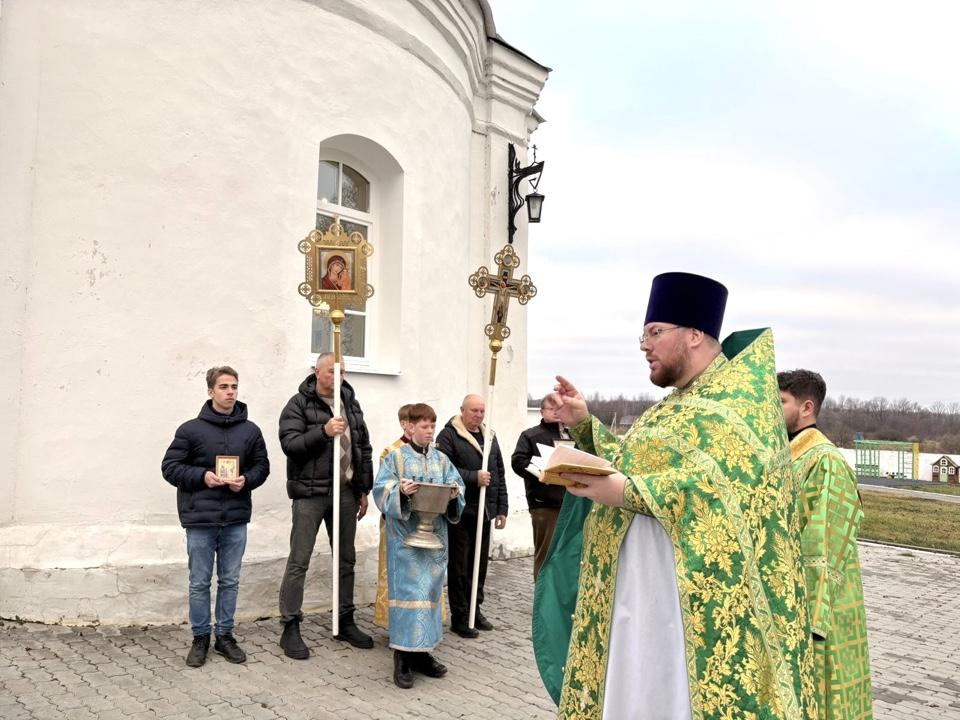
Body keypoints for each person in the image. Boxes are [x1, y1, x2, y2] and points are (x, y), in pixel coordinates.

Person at [533, 272, 816, 720]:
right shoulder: (672, 406)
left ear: (695, 334)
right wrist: (585, 424)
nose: (644, 345)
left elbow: (723, 487)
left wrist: (627, 490)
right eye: (643, 335)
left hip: (685, 607)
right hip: (637, 595)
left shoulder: (738, 406)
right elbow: (631, 462)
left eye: (654, 333)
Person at [778, 369, 874, 720]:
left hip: (819, 606)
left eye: (780, 402)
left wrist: (807, 617)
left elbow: (826, 544)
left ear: (807, 407)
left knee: (824, 698)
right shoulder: (788, 454)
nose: (771, 409)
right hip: (789, 598)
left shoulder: (825, 460)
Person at [161, 366, 270, 668]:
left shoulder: (251, 431)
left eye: (234, 386)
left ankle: (224, 636)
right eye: (223, 387)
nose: (230, 392)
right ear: (210, 392)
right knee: (199, 582)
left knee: (230, 581)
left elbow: (262, 467)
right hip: (200, 519)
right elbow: (170, 467)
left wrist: (246, 480)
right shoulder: (190, 430)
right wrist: (203, 477)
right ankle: (200, 638)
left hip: (235, 518)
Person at [277, 352, 374, 658]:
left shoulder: (350, 403)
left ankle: (345, 619)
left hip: (345, 492)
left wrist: (363, 489)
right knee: (300, 559)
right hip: (310, 493)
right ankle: (290, 625)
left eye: (342, 371)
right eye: (332, 371)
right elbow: (290, 445)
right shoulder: (298, 404)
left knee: (346, 559)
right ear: (317, 372)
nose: (337, 376)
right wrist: (323, 432)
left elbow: (362, 447)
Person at [373, 403, 465, 688]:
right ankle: (402, 657)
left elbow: (457, 486)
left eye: (432, 426)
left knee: (430, 593)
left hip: (434, 540)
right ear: (410, 427)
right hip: (405, 541)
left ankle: (423, 653)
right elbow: (380, 490)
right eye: (424, 426)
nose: (429, 431)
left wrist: (455, 493)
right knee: (408, 595)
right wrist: (399, 491)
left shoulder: (442, 460)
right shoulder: (396, 458)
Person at [435, 394, 508, 638]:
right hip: (460, 512)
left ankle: (475, 611)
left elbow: (498, 473)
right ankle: (460, 616)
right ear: (462, 410)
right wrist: (473, 477)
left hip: (484, 512)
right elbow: (443, 469)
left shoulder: (490, 437)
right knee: (459, 566)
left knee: (479, 565)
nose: (478, 415)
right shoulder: (449, 436)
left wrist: (501, 508)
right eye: (473, 410)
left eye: (481, 411)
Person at [511, 397, 571, 579]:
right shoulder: (530, 435)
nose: (556, 412)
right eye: (551, 408)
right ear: (542, 412)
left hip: (570, 504)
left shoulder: (571, 436)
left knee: (567, 556)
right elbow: (518, 462)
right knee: (546, 555)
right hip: (545, 503)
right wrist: (541, 470)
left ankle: (561, 594)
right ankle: (543, 593)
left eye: (559, 408)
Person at [374, 404, 413, 628]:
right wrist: (401, 491)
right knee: (396, 572)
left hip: (421, 522)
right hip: (396, 522)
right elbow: (383, 487)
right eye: (411, 422)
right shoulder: (391, 452)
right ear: (403, 423)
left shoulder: (432, 452)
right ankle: (395, 621)